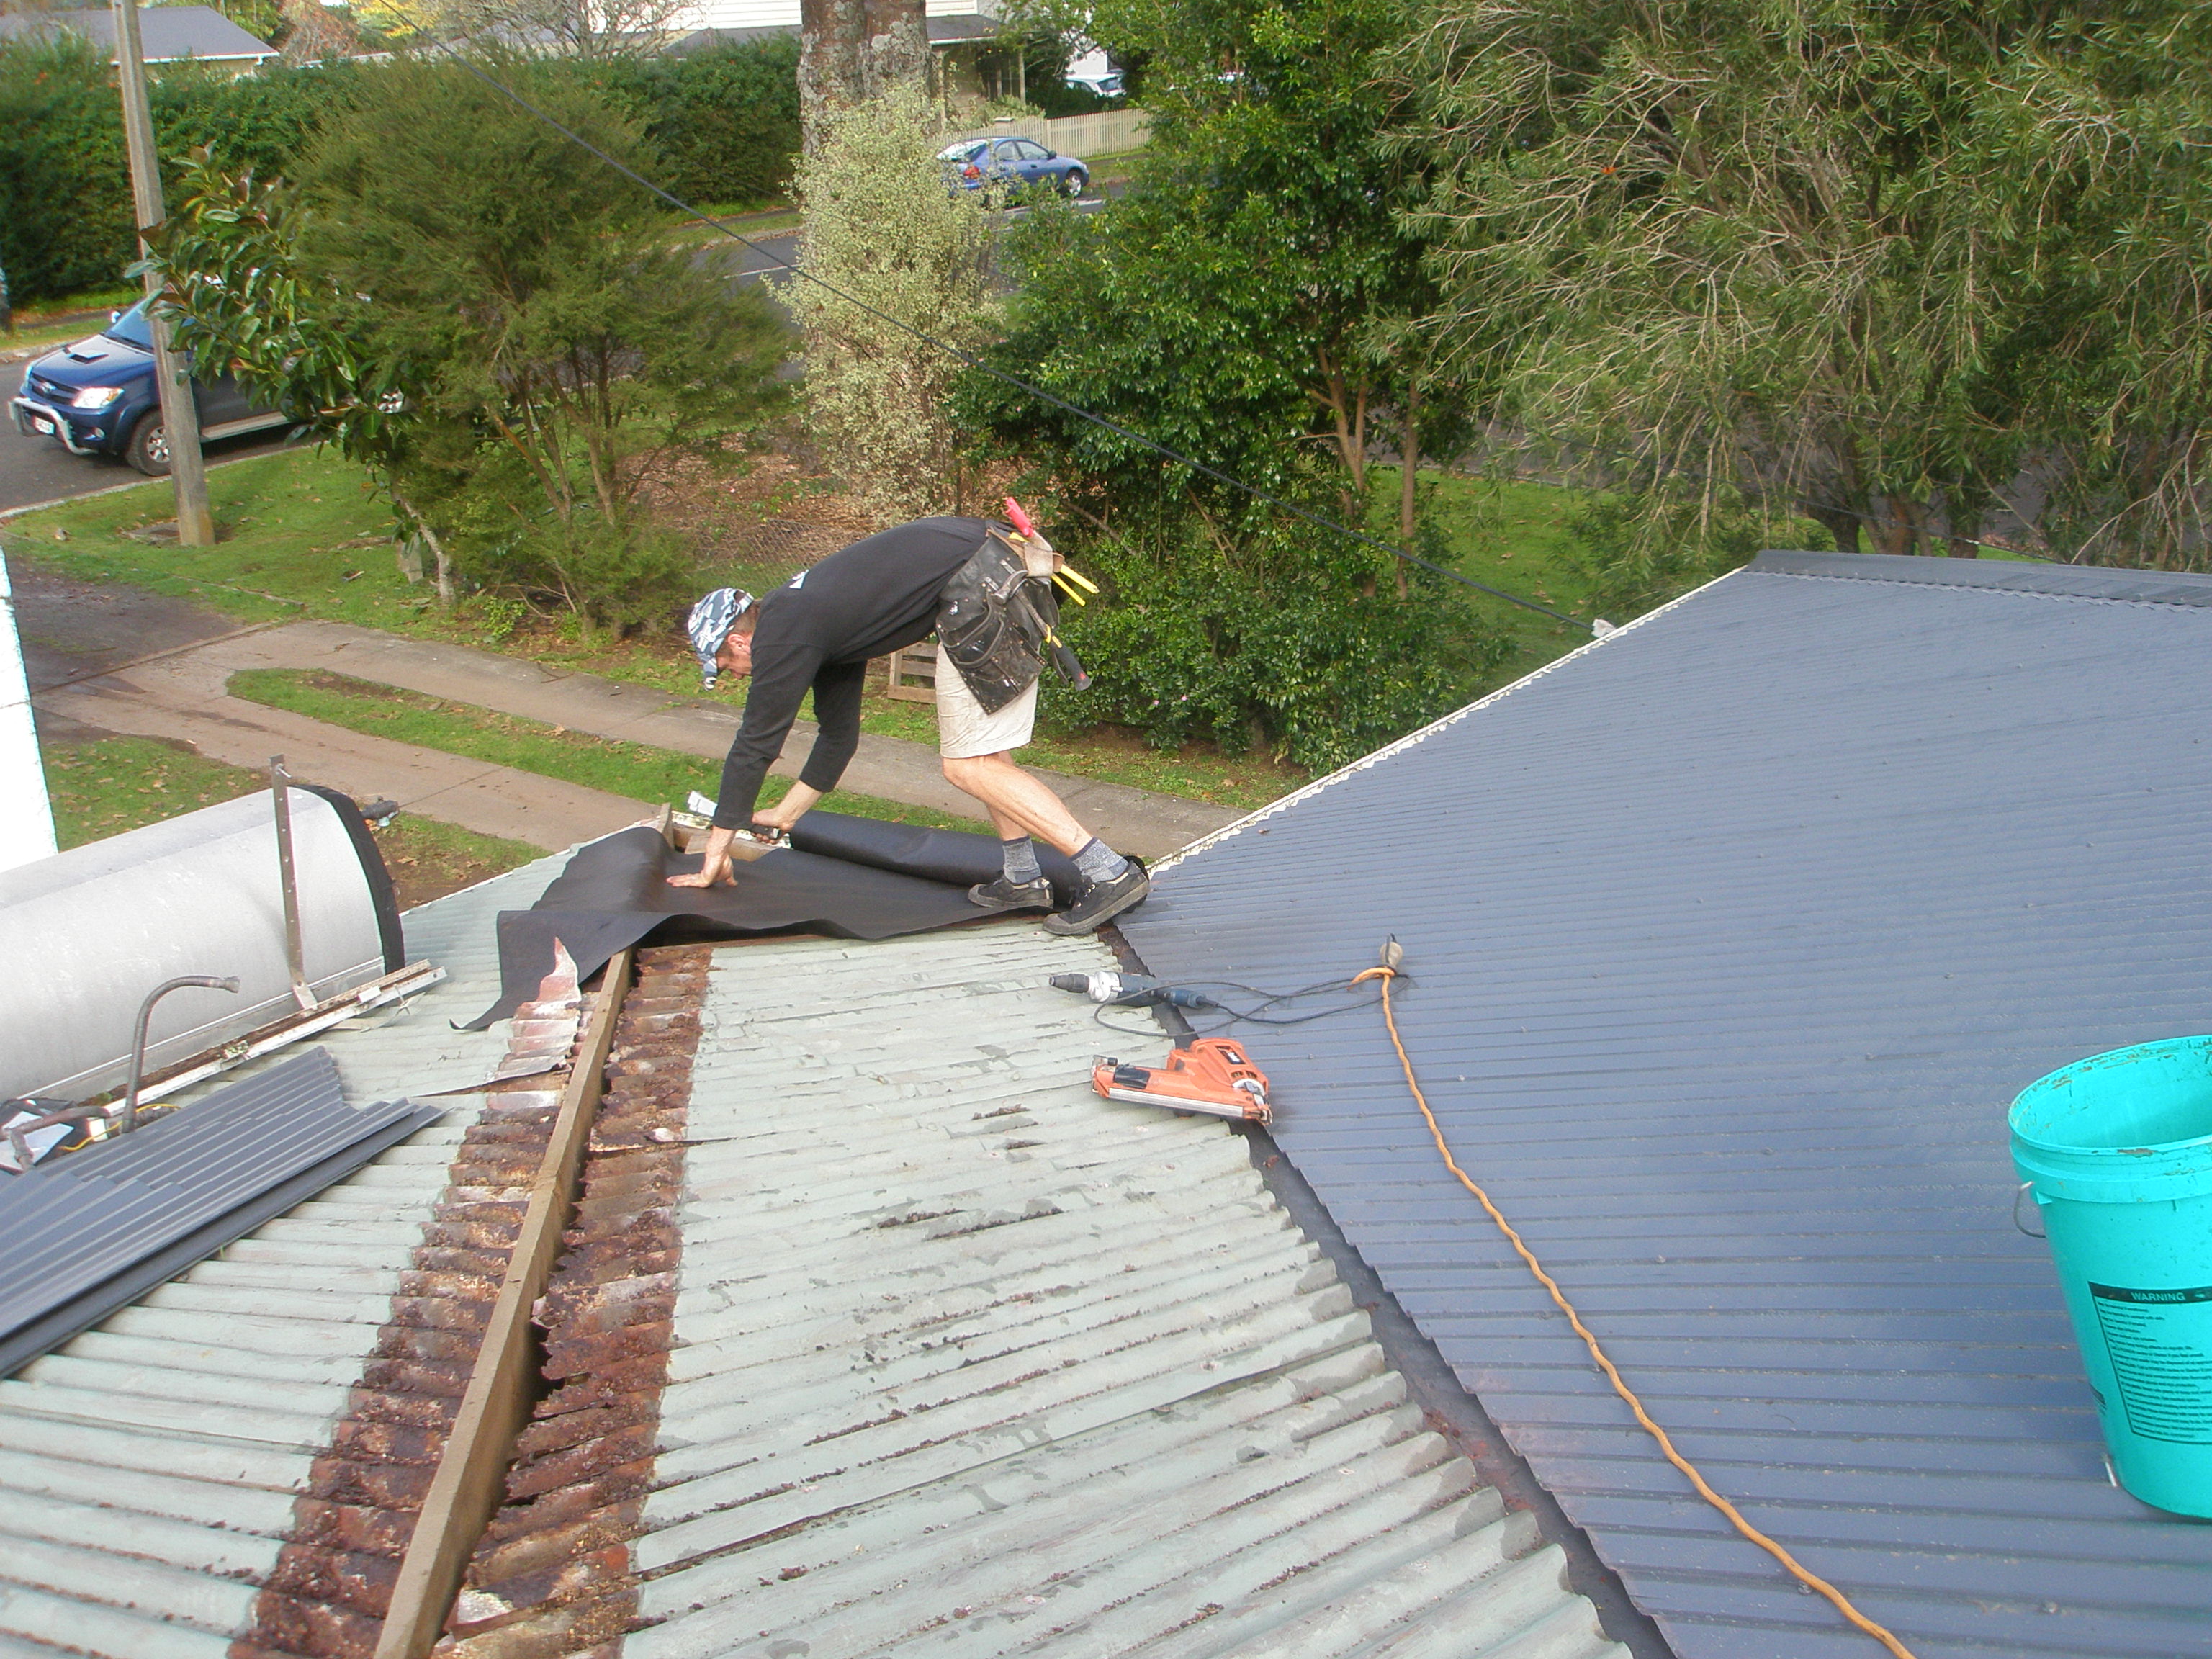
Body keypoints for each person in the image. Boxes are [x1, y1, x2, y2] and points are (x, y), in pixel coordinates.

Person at [670, 515, 1150, 935]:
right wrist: (788, 814)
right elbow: (839, 736)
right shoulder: (811, 619)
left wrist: (718, 845)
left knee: (965, 766)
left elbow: (755, 743)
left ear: (736, 641)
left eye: (723, 665)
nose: (732, 675)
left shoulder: (782, 634)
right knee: (984, 757)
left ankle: (1107, 872)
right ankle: (1023, 877)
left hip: (980, 584)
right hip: (995, 567)